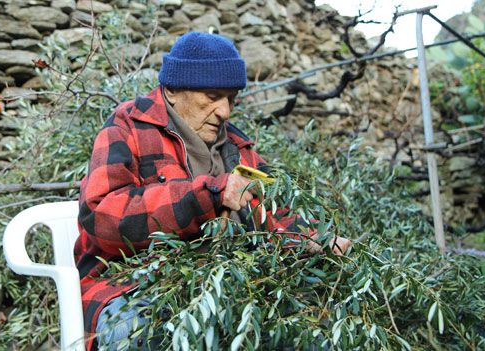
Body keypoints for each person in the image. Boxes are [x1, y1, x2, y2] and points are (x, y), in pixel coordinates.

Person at [74, 31, 351, 350]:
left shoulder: (238, 148)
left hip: (225, 287)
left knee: (310, 334)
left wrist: (318, 238)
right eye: (212, 95)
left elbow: (275, 215)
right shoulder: (127, 128)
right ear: (174, 89)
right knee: (147, 337)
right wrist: (209, 195)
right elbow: (103, 218)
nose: (225, 112)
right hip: (133, 286)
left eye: (231, 99)